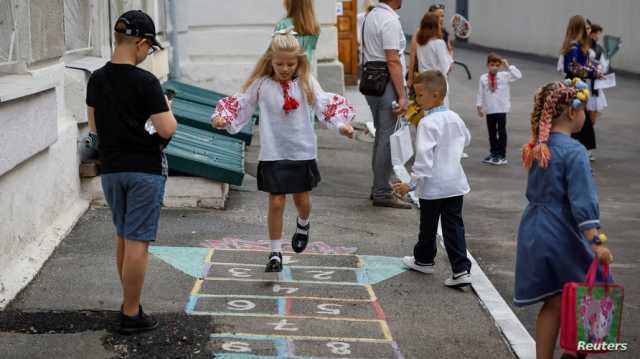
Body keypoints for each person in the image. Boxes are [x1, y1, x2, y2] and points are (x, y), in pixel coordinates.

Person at [211, 32, 355, 272]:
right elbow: (242, 102)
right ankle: (275, 251)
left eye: (291, 63)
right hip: (273, 151)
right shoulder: (261, 84)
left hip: (301, 150)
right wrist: (222, 117)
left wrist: (342, 125)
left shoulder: (307, 81)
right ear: (270, 60)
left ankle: (303, 223)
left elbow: (323, 104)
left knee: (302, 201)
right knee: (276, 202)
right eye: (279, 64)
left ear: (299, 61)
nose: (285, 68)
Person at [86, 10, 177, 334]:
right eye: (149, 49)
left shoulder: (96, 78)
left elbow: (95, 127)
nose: (147, 54)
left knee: (124, 236)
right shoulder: (146, 82)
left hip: (112, 171)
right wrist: (166, 107)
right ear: (140, 43)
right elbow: (166, 130)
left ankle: (129, 303)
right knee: (139, 241)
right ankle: (130, 312)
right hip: (144, 171)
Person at [515, 79, 613, 359]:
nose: (587, 116)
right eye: (585, 111)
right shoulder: (575, 152)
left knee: (553, 302)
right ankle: (576, 353)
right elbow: (582, 201)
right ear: (572, 112)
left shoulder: (537, 147)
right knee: (587, 291)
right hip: (563, 233)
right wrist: (596, 242)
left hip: (534, 229)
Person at [394, 70, 473, 288]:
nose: (416, 100)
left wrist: (410, 184)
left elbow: (424, 160)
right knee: (454, 226)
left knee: (428, 225)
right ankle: (461, 270)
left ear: (436, 95)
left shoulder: (428, 124)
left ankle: (424, 260)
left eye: (420, 95)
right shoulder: (455, 117)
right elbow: (466, 139)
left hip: (433, 185)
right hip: (455, 182)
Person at [361, 0, 411, 209]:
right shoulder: (389, 19)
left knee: (382, 135)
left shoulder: (371, 16)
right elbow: (392, 59)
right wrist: (402, 95)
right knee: (387, 138)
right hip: (386, 82)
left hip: (372, 79)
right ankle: (382, 191)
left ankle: (379, 187)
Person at [561, 15, 601, 159]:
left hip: (579, 82)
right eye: (585, 26)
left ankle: (581, 146)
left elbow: (581, 66)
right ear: (578, 27)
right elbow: (572, 67)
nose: (588, 28)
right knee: (577, 115)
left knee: (580, 115)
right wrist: (593, 73)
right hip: (574, 82)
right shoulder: (573, 46)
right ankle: (580, 146)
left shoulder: (579, 45)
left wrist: (594, 72)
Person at [476, 53, 522, 165]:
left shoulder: (505, 76)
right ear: (487, 65)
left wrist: (508, 66)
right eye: (492, 65)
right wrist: (479, 106)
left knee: (501, 132)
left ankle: (502, 155)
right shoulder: (483, 78)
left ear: (500, 66)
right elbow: (480, 93)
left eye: (497, 65)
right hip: (489, 109)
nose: (494, 67)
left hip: (501, 109)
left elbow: (518, 75)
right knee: (491, 133)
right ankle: (493, 153)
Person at [409, 12, 453, 107]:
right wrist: (450, 53)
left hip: (424, 82)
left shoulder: (420, 43)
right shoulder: (439, 43)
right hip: (438, 84)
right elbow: (445, 67)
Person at [275, 0, 321, 76]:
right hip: (305, 74)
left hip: (286, 73)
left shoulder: (282, 25)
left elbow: (275, 51)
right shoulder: (314, 26)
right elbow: (311, 49)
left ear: (290, 3)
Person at [587, 23, 608, 126]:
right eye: (597, 34)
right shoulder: (584, 47)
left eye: (599, 34)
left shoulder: (599, 48)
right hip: (586, 82)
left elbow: (603, 65)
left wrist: (601, 69)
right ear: (590, 34)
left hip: (595, 83)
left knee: (593, 113)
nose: (598, 36)